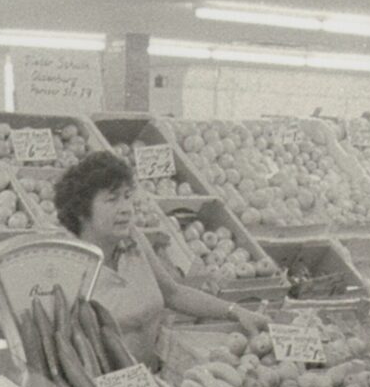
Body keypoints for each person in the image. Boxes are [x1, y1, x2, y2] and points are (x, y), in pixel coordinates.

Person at [52, 150, 264, 365]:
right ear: (81, 210)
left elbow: (174, 293)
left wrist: (235, 311)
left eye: (127, 197)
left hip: (151, 380)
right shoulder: (68, 266)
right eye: (112, 199)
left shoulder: (133, 241)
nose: (126, 209)